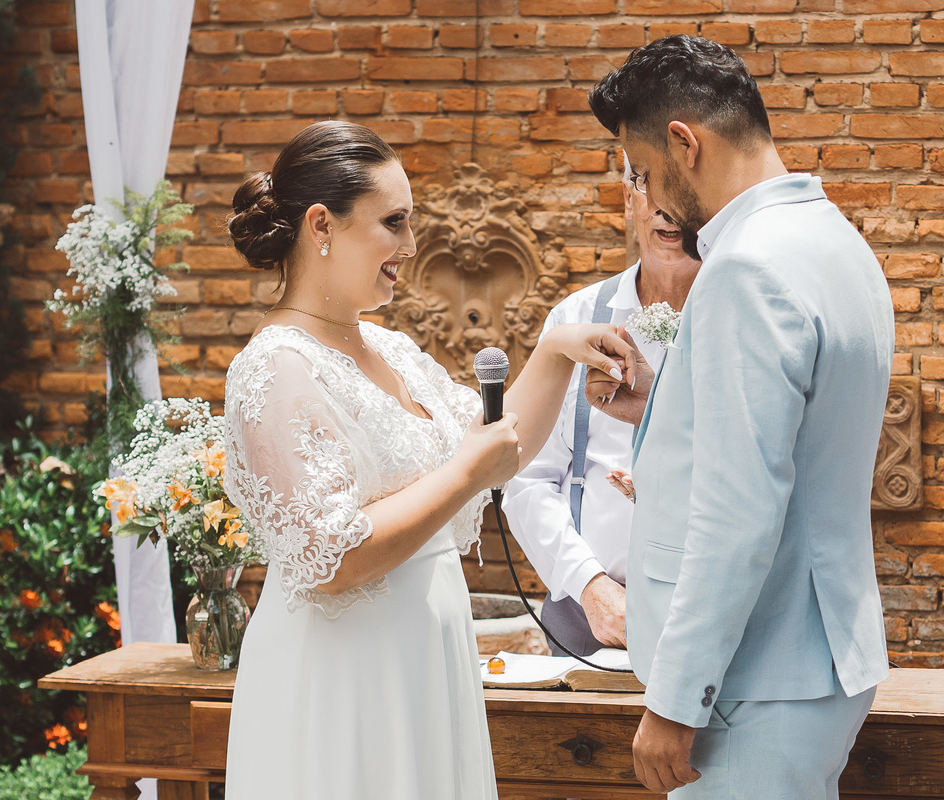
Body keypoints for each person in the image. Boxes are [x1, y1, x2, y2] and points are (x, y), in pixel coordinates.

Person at [220, 120, 634, 800]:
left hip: (424, 660)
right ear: (321, 225)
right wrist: (465, 474)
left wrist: (557, 351)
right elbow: (332, 559)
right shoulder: (274, 368)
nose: (410, 247)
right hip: (344, 676)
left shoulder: (393, 352)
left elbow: (498, 441)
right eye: (394, 223)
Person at [585, 35, 896, 798]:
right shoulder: (835, 242)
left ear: (684, 144)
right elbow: (791, 436)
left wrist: (675, 698)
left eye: (646, 171)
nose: (652, 197)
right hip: (813, 656)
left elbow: (739, 510)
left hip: (753, 680)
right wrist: (666, 405)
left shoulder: (745, 267)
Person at [503, 158, 701, 656]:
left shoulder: (743, 319)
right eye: (649, 185)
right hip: (585, 618)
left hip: (713, 617)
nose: (666, 210)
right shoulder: (574, 319)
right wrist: (589, 586)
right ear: (628, 197)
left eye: (683, 189)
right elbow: (528, 478)